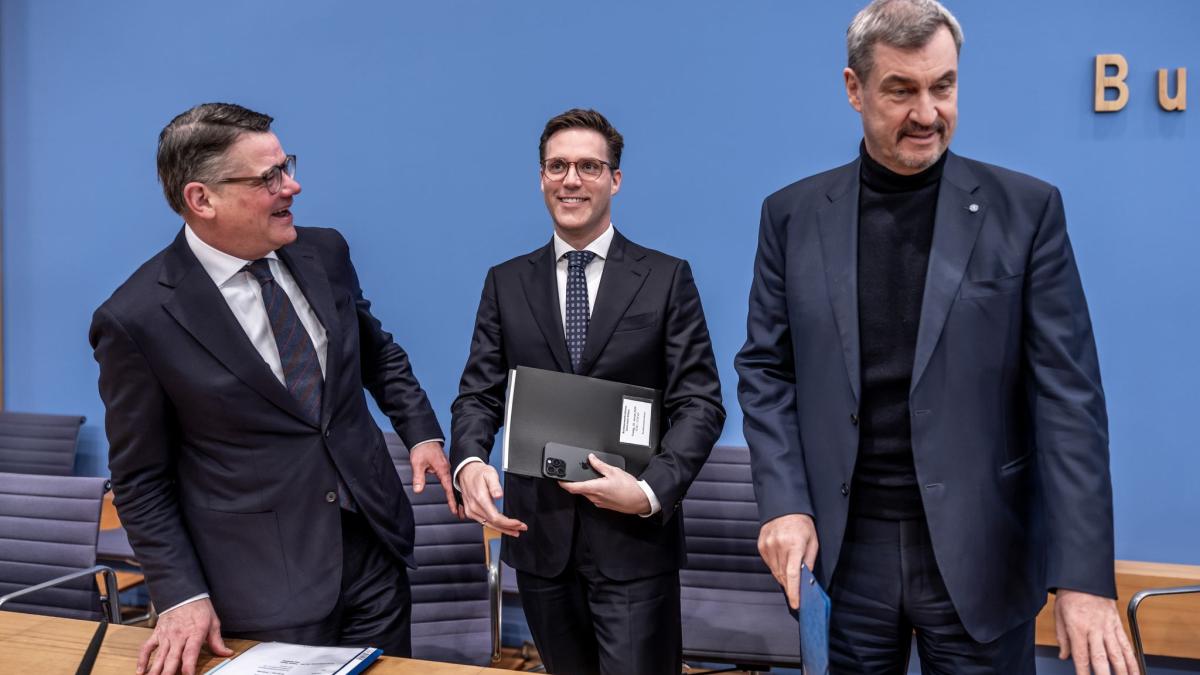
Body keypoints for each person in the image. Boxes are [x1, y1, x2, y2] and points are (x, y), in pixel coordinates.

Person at [734, 1, 1138, 672]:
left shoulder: (1027, 212)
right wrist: (784, 504)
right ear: (855, 89)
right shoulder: (792, 216)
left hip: (983, 554)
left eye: (942, 87)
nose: (927, 113)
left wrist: (1083, 577)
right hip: (844, 556)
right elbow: (766, 372)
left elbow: (1069, 402)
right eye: (901, 91)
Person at [90, 102, 456, 675]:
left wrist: (421, 434)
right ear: (201, 199)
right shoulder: (137, 318)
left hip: (374, 553)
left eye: (287, 166)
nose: (292, 186)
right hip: (261, 585)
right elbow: (140, 481)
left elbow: (376, 353)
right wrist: (181, 595)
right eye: (269, 178)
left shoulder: (325, 252)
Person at [450, 108, 725, 675]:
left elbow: (699, 403)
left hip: (633, 540)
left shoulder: (665, 278)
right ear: (541, 177)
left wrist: (650, 491)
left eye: (588, 166)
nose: (571, 179)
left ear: (614, 179)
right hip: (540, 540)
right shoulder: (506, 282)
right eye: (557, 166)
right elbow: (478, 394)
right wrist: (470, 461)